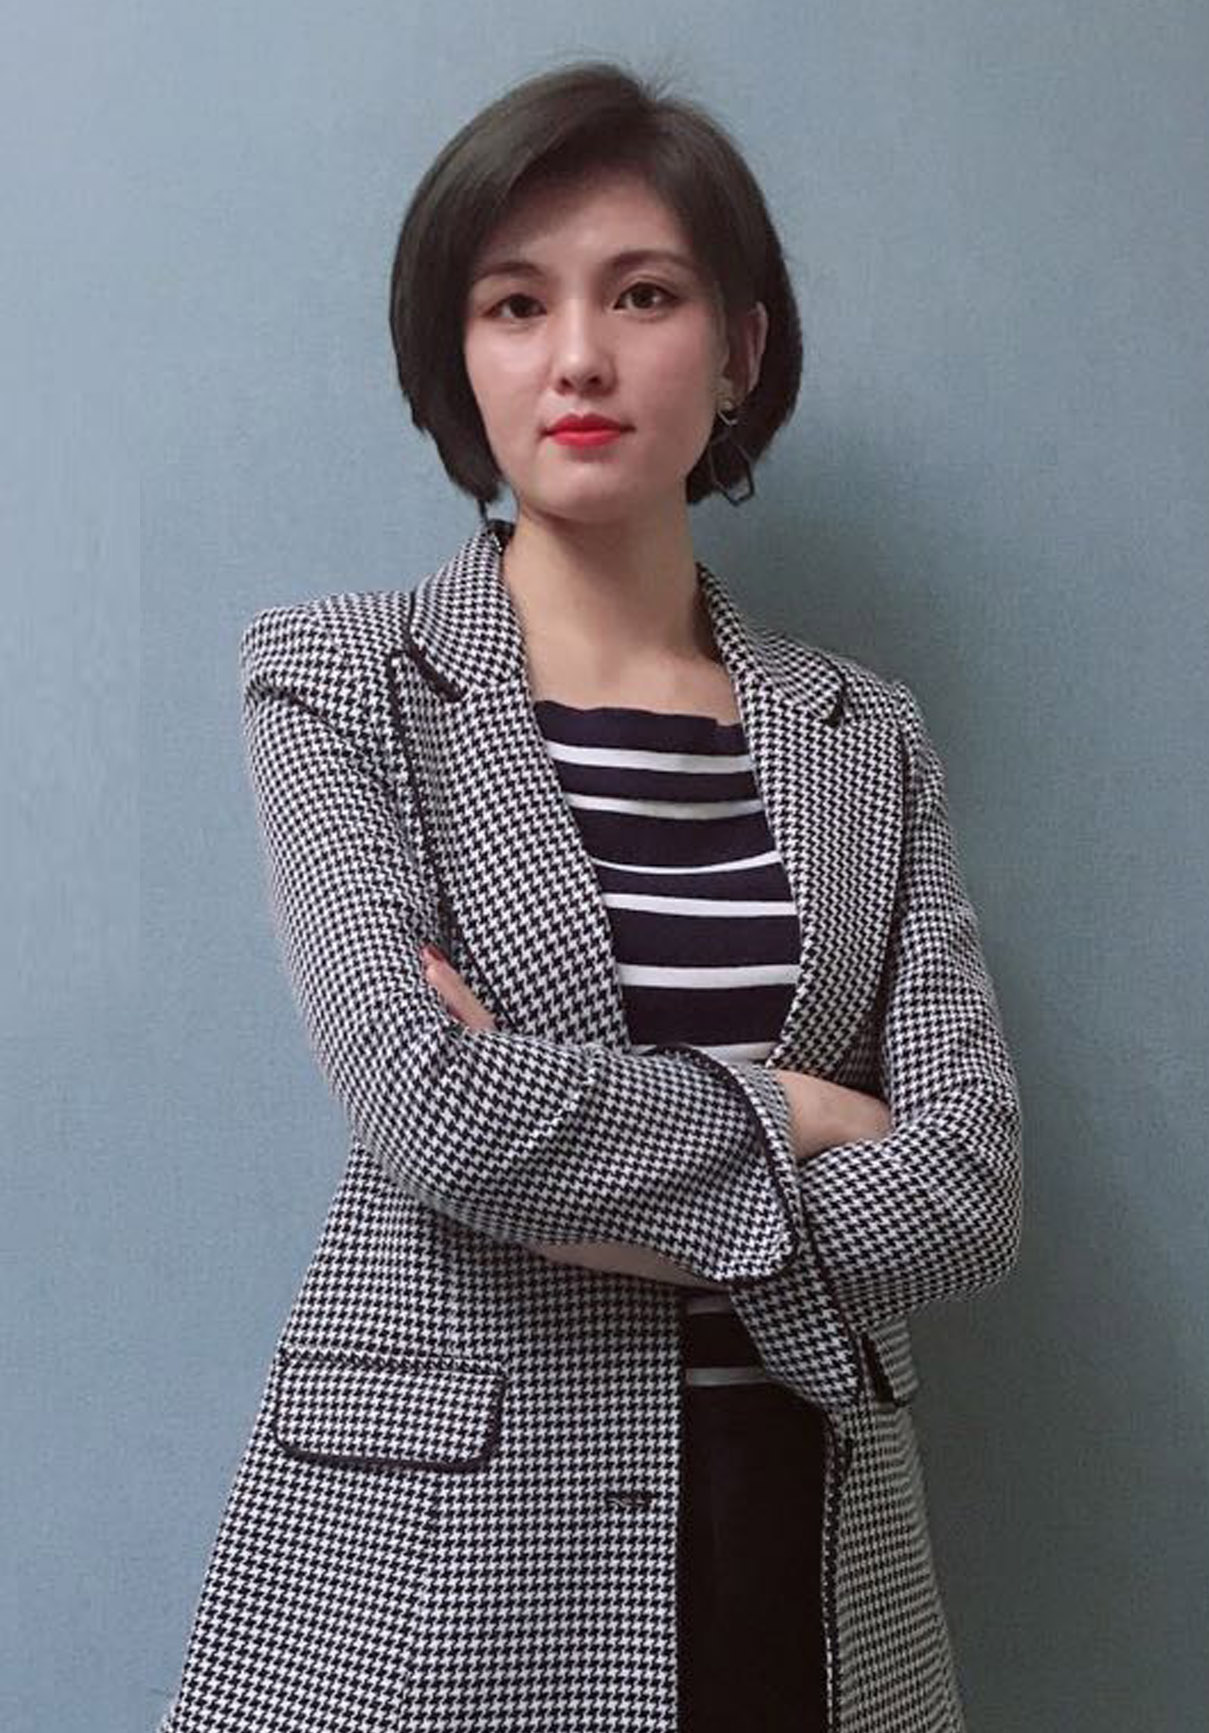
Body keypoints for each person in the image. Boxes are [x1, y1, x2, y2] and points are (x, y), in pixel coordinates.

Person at [157, 58, 1022, 1733]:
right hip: (457, 1559)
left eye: (642, 295)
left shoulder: (866, 732)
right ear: (456, 353)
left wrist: (567, 1183)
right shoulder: (339, 681)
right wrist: (800, 1113)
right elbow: (430, 1104)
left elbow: (968, 1191)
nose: (577, 356)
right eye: (513, 303)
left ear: (739, 347)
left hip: (811, 1534)